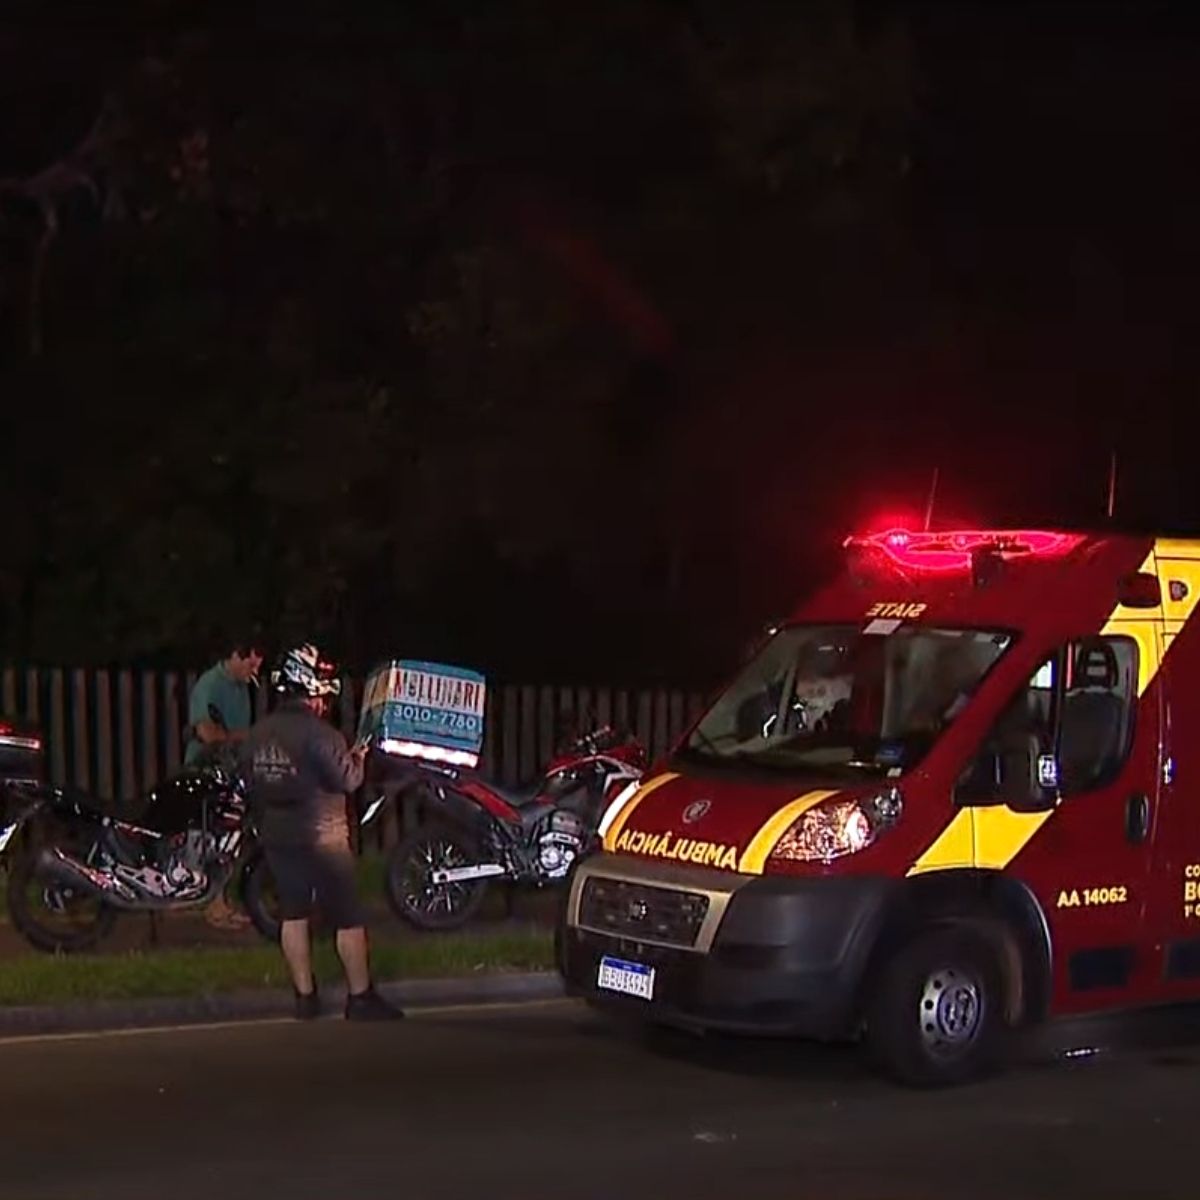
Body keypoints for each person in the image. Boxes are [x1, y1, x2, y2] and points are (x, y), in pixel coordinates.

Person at [240, 642, 403, 1022]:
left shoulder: (257, 734)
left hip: (277, 835)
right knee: (347, 916)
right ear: (311, 692)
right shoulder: (321, 735)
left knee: (293, 912)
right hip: (323, 837)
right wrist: (358, 756)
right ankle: (360, 997)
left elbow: (249, 780)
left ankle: (304, 997)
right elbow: (348, 780)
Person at [185, 639, 264, 930]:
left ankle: (218, 900)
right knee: (213, 834)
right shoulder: (210, 684)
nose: (255, 670)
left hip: (231, 770)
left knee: (231, 836)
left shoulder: (243, 687)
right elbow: (206, 731)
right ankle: (213, 904)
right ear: (235, 654)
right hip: (206, 770)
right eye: (251, 663)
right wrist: (245, 737)